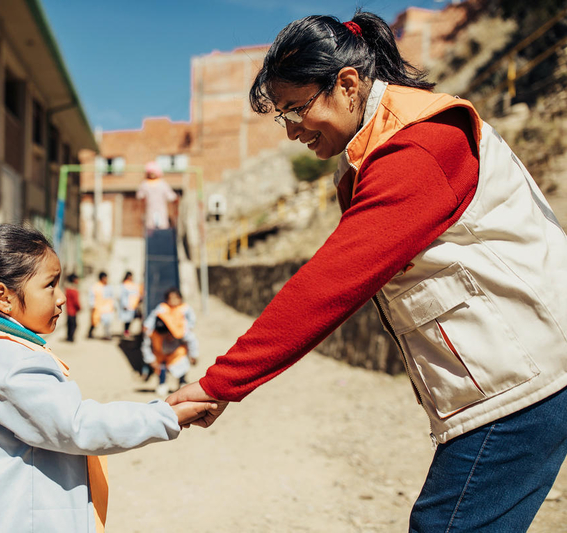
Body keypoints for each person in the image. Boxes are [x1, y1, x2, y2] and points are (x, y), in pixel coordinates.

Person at [168, 11, 567, 532]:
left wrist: (220, 383)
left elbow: (331, 282)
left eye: (297, 109)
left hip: (525, 378)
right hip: (524, 368)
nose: (291, 131)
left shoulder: (418, 147)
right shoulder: (383, 144)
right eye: (281, 116)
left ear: (348, 84)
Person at [0, 225, 215, 533]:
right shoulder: (7, 363)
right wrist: (166, 415)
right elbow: (77, 425)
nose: (61, 298)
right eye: (50, 285)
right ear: (2, 297)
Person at [141, 288, 198, 397]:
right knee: (161, 367)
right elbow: (145, 346)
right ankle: (162, 384)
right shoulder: (153, 332)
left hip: (176, 350)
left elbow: (192, 340)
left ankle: (182, 381)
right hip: (161, 353)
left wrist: (193, 355)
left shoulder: (181, 330)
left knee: (182, 364)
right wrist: (150, 360)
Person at [136, 161, 178, 230]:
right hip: (150, 210)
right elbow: (140, 196)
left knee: (162, 227)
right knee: (151, 228)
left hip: (161, 210)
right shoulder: (145, 184)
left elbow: (171, 196)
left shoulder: (162, 184)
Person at [87, 271, 114, 340]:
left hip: (107, 308)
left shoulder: (108, 287)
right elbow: (91, 297)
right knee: (94, 322)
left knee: (107, 323)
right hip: (98, 308)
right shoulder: (95, 286)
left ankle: (107, 335)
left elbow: (111, 297)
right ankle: (90, 333)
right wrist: (92, 305)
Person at [118, 271, 141, 339]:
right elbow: (123, 296)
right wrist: (124, 304)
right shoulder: (124, 285)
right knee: (127, 320)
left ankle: (128, 331)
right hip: (128, 305)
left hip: (133, 305)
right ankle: (126, 331)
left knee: (131, 319)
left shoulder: (134, 284)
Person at [65, 273, 81, 342]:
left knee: (69, 324)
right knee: (74, 325)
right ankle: (71, 337)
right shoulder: (74, 290)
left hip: (68, 310)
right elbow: (76, 302)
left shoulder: (67, 289)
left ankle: (69, 337)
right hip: (73, 311)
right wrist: (79, 308)